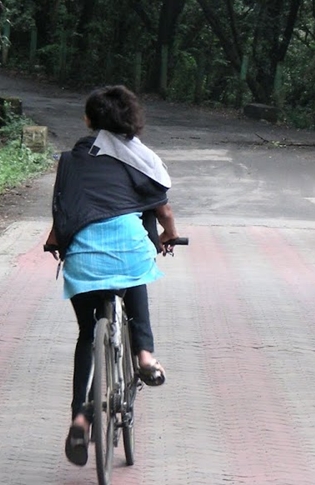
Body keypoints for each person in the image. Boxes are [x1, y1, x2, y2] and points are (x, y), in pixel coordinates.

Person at [44, 85, 180, 467]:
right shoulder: (139, 159)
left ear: (90, 120)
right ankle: (146, 357)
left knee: (88, 334)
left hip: (83, 256)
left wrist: (54, 241)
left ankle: (80, 417)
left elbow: (62, 208)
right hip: (128, 250)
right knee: (136, 273)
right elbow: (164, 212)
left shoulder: (72, 159)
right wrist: (168, 236)